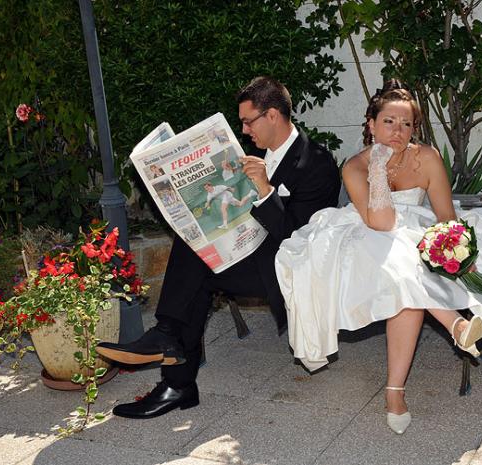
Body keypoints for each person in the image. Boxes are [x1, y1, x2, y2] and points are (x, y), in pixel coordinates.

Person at [275, 80, 482, 435]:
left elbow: (445, 216)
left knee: (409, 284)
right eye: (389, 122)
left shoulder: (426, 157)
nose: (398, 131)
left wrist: (447, 246)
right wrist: (378, 165)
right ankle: (456, 327)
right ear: (371, 124)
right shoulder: (356, 166)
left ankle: (396, 393)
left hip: (418, 229)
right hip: (367, 235)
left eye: (406, 124)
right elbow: (381, 221)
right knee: (398, 262)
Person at [96, 76, 341, 419]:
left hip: (284, 266)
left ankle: (172, 364)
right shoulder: (252, 152)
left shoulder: (317, 163)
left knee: (197, 267)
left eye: (247, 121)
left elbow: (299, 237)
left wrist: (267, 191)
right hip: (242, 250)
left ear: (273, 115)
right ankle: (176, 377)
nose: (243, 130)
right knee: (196, 251)